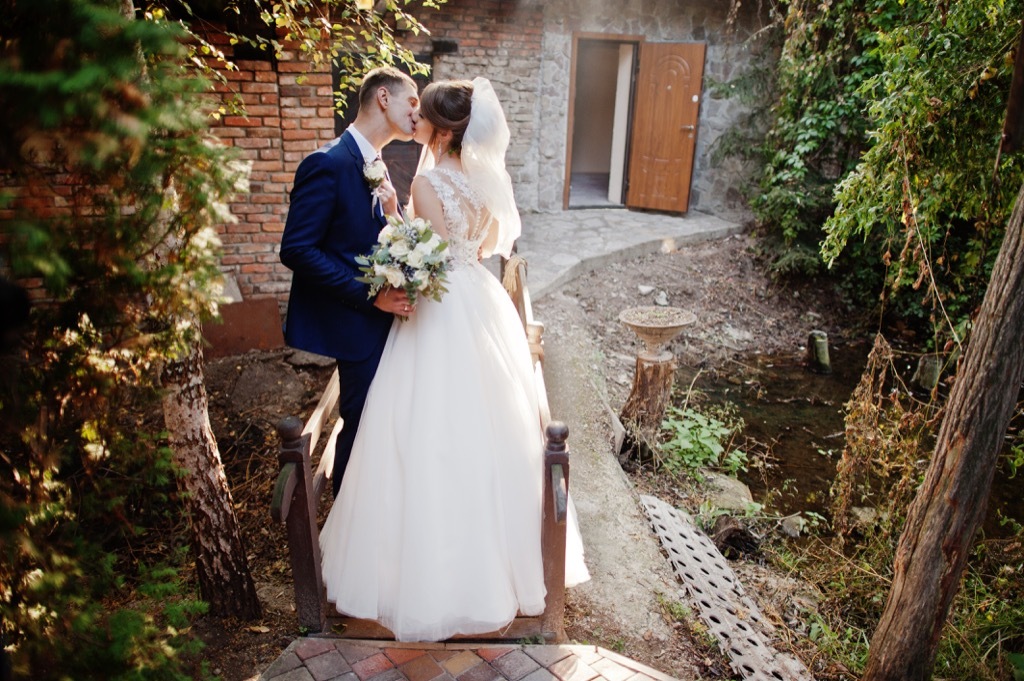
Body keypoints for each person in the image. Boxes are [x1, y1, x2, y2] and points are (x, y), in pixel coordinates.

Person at [318, 78, 589, 642]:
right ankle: (502, 573)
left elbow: (431, 259)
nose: (413, 119)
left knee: (424, 430)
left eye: (422, 115)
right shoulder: (487, 183)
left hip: (441, 309)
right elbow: (487, 247)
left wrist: (397, 222)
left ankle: (422, 579)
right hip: (482, 303)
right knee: (491, 428)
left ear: (440, 131)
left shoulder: (426, 182)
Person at [279, 66, 420, 497]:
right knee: (359, 430)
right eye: (411, 102)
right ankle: (343, 531)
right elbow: (298, 250)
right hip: (355, 326)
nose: (417, 114)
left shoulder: (376, 163)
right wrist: (370, 296)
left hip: (384, 325)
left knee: (379, 427)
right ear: (383, 97)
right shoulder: (327, 163)